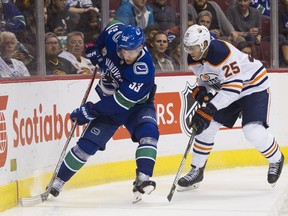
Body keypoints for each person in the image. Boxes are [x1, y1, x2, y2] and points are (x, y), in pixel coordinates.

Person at [49, 20, 159, 202]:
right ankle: (58, 181)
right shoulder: (115, 34)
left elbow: (120, 103)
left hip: (136, 106)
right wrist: (95, 49)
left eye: (131, 51)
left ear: (141, 47)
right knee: (87, 146)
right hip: (110, 99)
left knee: (149, 134)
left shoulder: (144, 69)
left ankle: (143, 179)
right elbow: (107, 30)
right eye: (123, 50)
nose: (126, 54)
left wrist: (91, 110)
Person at [177, 24, 285, 191]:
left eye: (194, 47)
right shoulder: (194, 57)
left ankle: (276, 158)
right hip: (228, 88)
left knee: (252, 131)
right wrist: (202, 90)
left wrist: (210, 108)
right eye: (187, 48)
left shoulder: (221, 53)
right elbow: (205, 77)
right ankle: (197, 170)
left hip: (252, 86)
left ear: (205, 44)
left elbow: (234, 89)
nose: (191, 51)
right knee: (206, 127)